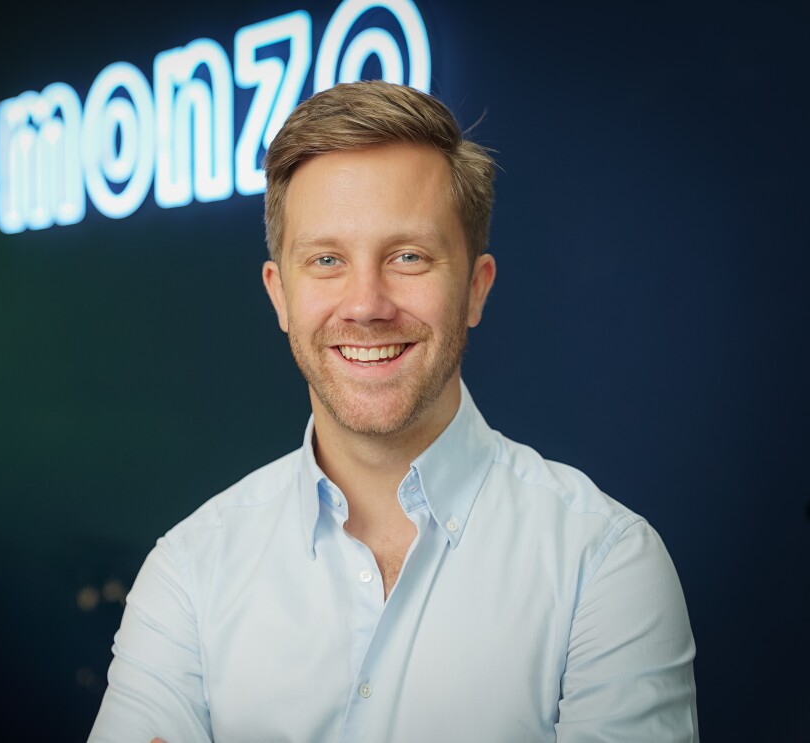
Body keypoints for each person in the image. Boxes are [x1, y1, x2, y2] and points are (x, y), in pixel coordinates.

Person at [88, 81, 698, 742]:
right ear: (279, 295)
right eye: (326, 260)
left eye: (408, 256)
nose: (366, 303)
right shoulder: (188, 573)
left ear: (475, 288)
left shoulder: (604, 566)